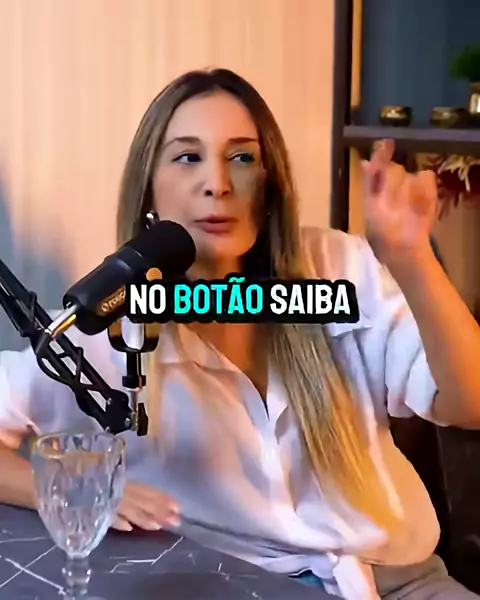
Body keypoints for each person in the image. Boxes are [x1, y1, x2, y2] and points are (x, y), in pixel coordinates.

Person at [0, 68, 479, 600]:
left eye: (242, 157)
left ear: (270, 183)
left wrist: (411, 258)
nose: (218, 183)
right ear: (149, 188)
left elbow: (470, 403)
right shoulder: (106, 328)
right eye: (188, 157)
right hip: (250, 588)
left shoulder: (338, 268)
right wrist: (81, 495)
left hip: (406, 582)